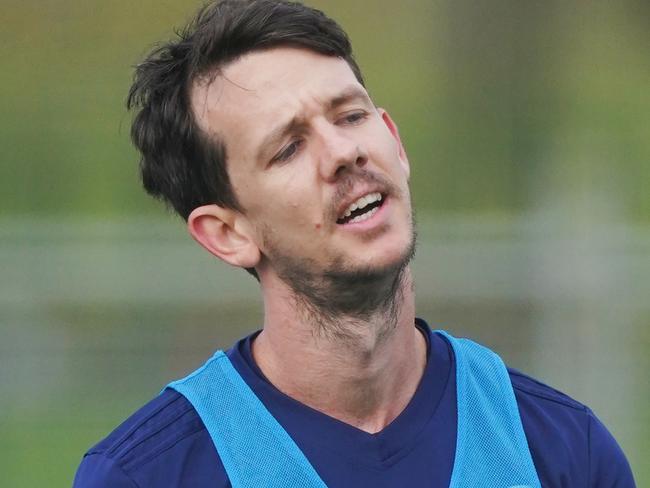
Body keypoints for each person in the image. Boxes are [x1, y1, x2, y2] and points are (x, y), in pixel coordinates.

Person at [73, 1, 636, 486]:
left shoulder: (565, 453)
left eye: (351, 115)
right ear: (228, 233)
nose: (343, 152)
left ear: (394, 140)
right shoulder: (144, 477)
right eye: (288, 148)